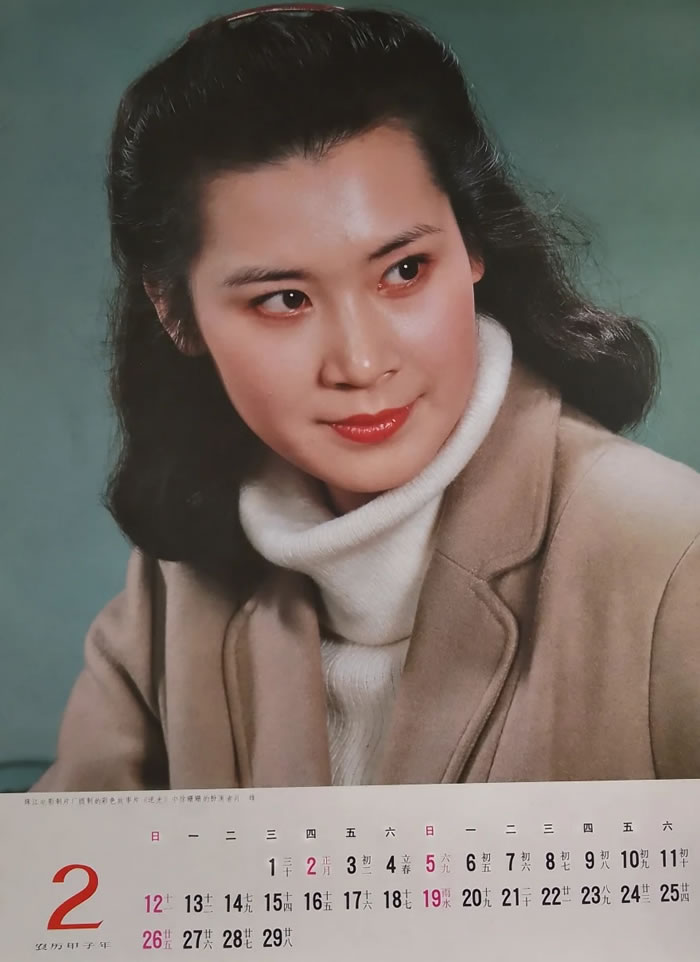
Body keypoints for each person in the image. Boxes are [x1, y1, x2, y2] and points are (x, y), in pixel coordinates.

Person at [32, 3, 700, 793]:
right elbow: (67, 864)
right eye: (284, 299)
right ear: (176, 313)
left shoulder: (673, 554)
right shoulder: (171, 589)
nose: (360, 361)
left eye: (404, 271)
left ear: (473, 243)